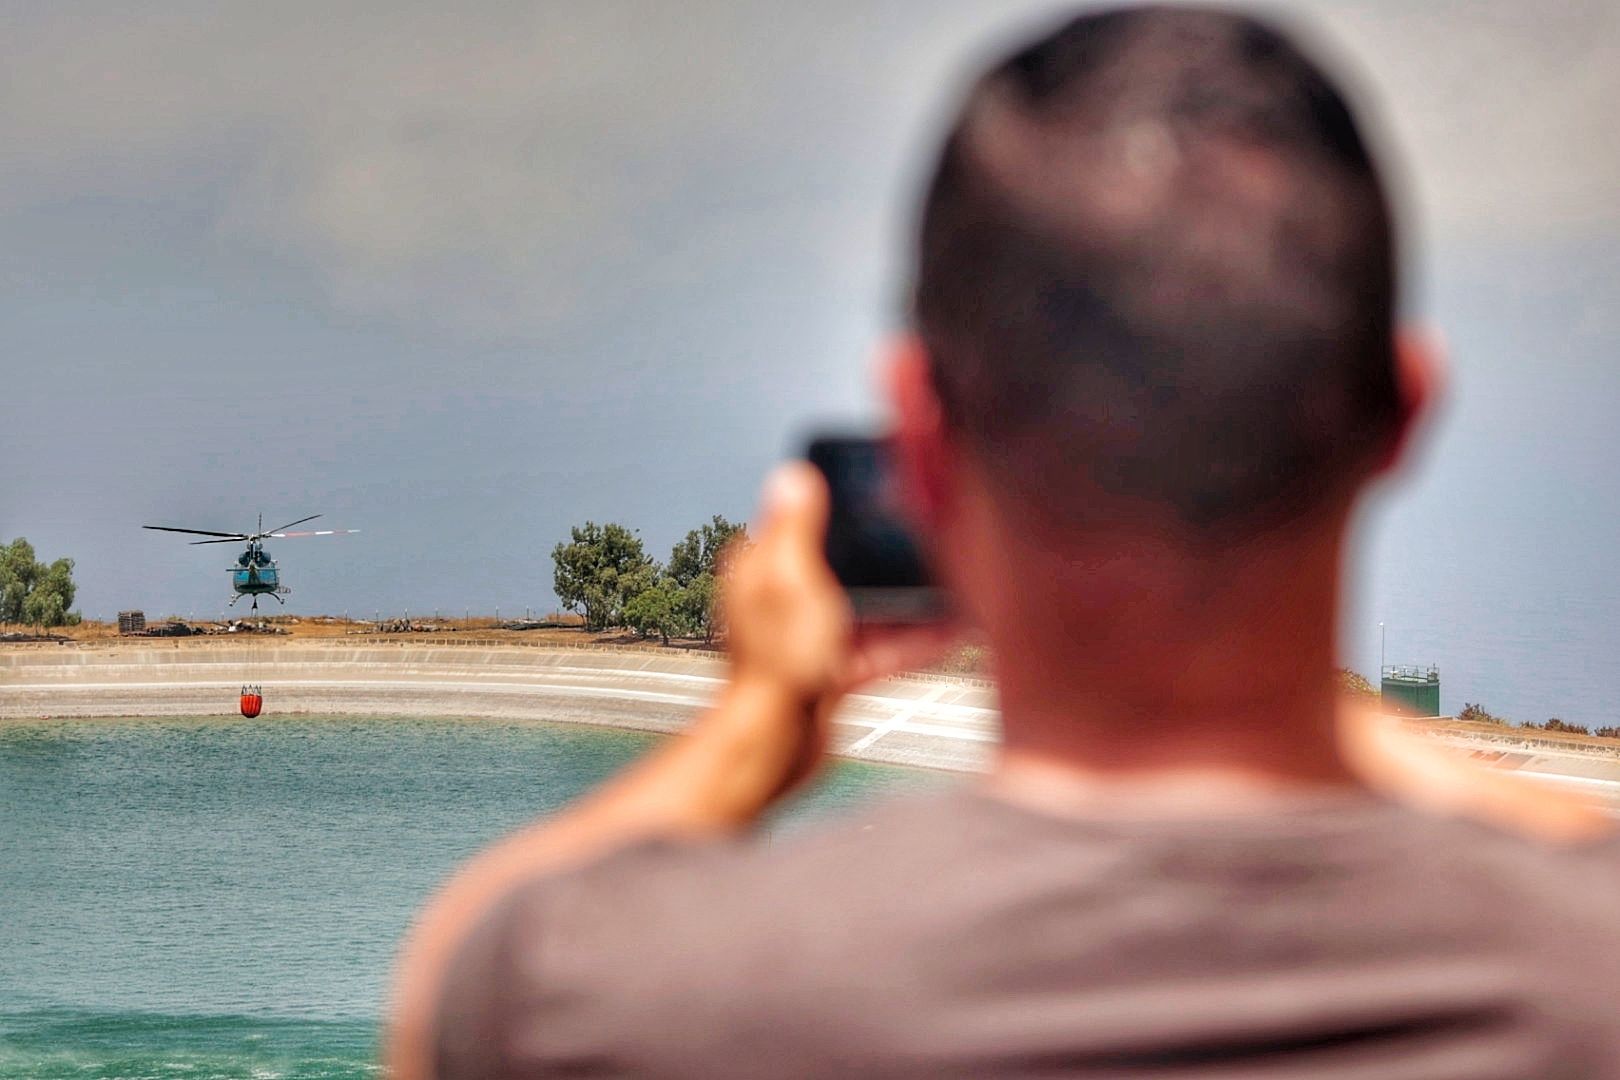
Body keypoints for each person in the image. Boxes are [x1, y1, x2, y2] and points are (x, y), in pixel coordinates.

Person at [390, 7, 1620, 1077]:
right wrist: (1302, 712)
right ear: (1402, 412)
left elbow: (458, 981)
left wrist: (757, 730)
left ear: (922, 445)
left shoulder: (628, 1004)